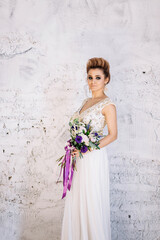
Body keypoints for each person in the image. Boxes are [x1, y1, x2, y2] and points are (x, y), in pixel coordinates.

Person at [60, 57, 118, 240]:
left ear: (106, 79)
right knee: (78, 201)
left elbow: (113, 135)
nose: (93, 82)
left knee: (91, 201)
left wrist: (87, 149)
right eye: (90, 77)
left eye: (97, 78)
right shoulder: (85, 101)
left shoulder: (107, 105)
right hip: (79, 159)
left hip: (92, 159)